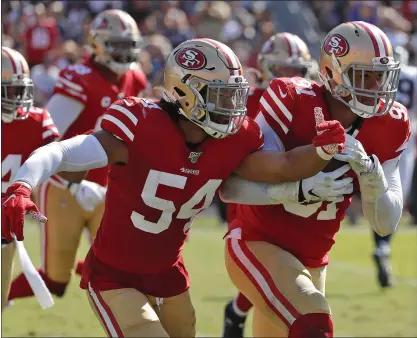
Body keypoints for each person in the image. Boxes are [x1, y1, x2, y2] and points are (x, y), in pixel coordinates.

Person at [2, 38, 346, 337]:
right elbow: (61, 151)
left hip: (169, 275)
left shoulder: (235, 138)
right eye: (220, 97)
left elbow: (282, 167)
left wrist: (319, 152)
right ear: (184, 93)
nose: (232, 108)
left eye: (234, 96)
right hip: (114, 275)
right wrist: (22, 185)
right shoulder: (141, 124)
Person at [220, 21, 410, 337]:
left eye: (383, 76)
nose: (377, 88)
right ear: (333, 72)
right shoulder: (292, 98)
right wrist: (297, 190)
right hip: (258, 242)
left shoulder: (391, 122)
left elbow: (386, 223)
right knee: (314, 324)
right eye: (367, 76)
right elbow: (231, 188)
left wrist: (370, 172)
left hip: (313, 261)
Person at [7, 9, 148, 302]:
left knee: (122, 269)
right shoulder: (80, 77)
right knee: (55, 281)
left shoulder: (135, 77)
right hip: (65, 187)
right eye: (116, 44)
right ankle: (3, 295)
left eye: (128, 44)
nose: (124, 51)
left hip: (109, 188)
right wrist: (74, 183)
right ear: (97, 43)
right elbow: (49, 137)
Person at [222, 32, 314, 338]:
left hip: (291, 192)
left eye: (296, 70)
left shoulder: (307, 99)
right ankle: (236, 311)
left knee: (283, 271)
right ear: (263, 67)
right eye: (281, 69)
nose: (288, 77)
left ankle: (236, 311)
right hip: (249, 190)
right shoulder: (246, 97)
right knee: (262, 267)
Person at [1, 46, 60, 309]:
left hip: (5, 228)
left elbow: (59, 159)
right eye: (10, 91)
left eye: (21, 90)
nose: (18, 99)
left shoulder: (36, 121)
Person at [369, 44, 417, 288]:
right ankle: (384, 246)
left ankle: (380, 245)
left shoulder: (377, 72)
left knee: (377, 195)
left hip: (377, 138)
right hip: (406, 140)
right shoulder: (413, 75)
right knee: (395, 199)